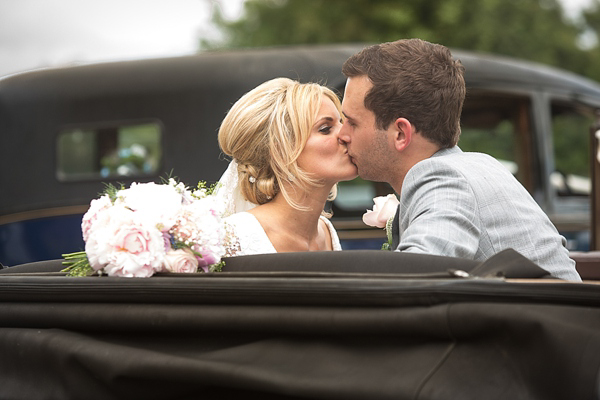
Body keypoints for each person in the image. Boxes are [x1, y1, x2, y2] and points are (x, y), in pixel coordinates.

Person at [339, 38, 581, 281]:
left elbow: (414, 281)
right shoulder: (475, 166)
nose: (342, 134)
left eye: (352, 122)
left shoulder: (444, 179)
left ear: (401, 133)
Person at [215, 77, 357, 256]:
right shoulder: (235, 235)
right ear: (282, 151)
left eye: (342, 122)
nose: (346, 134)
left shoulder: (326, 231)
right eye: (325, 128)